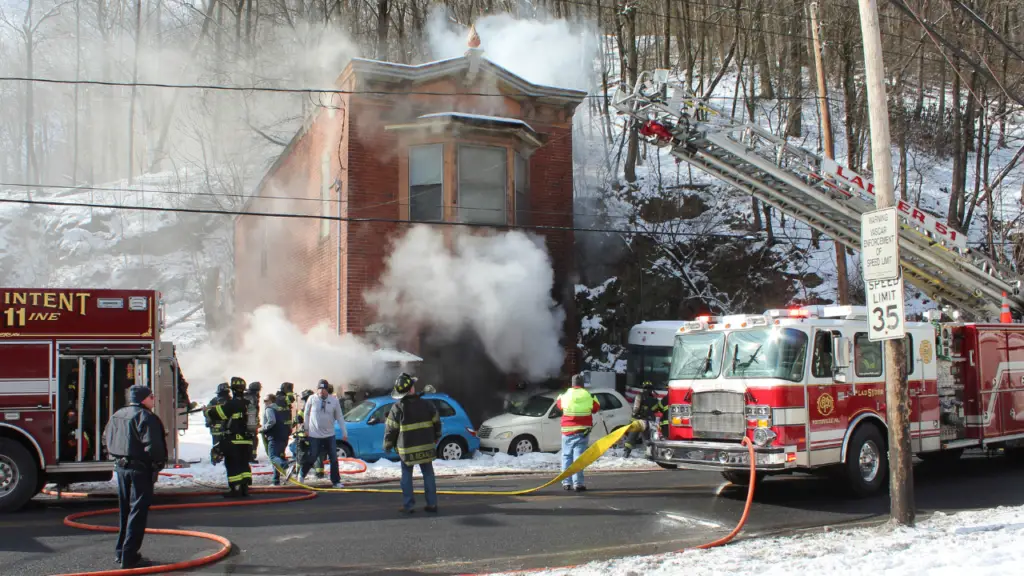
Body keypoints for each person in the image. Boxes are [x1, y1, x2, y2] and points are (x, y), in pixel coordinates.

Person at [102, 384, 167, 569]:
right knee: (137, 512)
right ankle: (130, 557)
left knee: (125, 511)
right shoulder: (146, 416)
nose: (153, 399)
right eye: (151, 396)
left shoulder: (117, 415)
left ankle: (121, 552)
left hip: (121, 468)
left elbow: (106, 438)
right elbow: (154, 446)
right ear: (143, 399)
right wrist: (157, 465)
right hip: (140, 469)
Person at [383, 373, 441, 514]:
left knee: (407, 476)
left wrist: (388, 445)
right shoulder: (427, 404)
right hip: (426, 447)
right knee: (428, 474)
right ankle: (432, 504)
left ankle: (409, 505)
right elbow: (437, 423)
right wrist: (436, 437)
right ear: (411, 389)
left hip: (407, 450)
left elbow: (391, 429)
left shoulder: (397, 408)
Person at [554, 374, 600, 492]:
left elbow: (558, 405)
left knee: (566, 456)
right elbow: (596, 408)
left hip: (567, 431)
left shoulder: (566, 395)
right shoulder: (587, 395)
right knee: (578, 458)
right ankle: (578, 484)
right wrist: (593, 398)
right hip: (582, 431)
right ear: (583, 384)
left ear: (572, 383)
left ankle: (566, 483)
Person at [209, 377, 253, 497]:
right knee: (244, 463)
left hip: (233, 440)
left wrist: (207, 411)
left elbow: (218, 414)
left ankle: (235, 489)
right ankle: (244, 488)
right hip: (247, 440)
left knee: (232, 464)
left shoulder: (232, 404)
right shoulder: (249, 404)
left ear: (232, 390)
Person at [302, 380, 347, 487]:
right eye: (319, 389)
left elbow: (339, 417)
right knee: (313, 456)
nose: (321, 391)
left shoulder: (334, 400)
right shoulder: (312, 399)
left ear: (327, 390)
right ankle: (302, 474)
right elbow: (306, 414)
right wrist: (306, 429)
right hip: (314, 434)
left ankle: (336, 481)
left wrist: (344, 432)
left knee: (333, 458)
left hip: (329, 434)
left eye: (324, 389)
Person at [622, 381, 667, 458]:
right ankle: (649, 455)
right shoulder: (654, 399)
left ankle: (626, 453)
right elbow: (656, 410)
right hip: (647, 422)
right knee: (647, 439)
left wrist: (632, 419)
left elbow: (636, 408)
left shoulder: (639, 396)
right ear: (651, 389)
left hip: (638, 420)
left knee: (631, 437)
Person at [261, 393, 291, 485]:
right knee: (277, 457)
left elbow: (272, 421)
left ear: (271, 401)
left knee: (273, 457)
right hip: (283, 436)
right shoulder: (279, 409)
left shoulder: (269, 409)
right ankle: (275, 480)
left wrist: (262, 429)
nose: (264, 403)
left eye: (266, 401)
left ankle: (286, 466)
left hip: (274, 437)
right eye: (264, 401)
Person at [245, 381, 263, 462]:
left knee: (251, 439)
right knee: (252, 439)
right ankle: (251, 456)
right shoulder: (252, 397)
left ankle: (250, 455)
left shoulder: (249, 396)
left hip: (247, 421)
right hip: (250, 422)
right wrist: (253, 424)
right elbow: (251, 412)